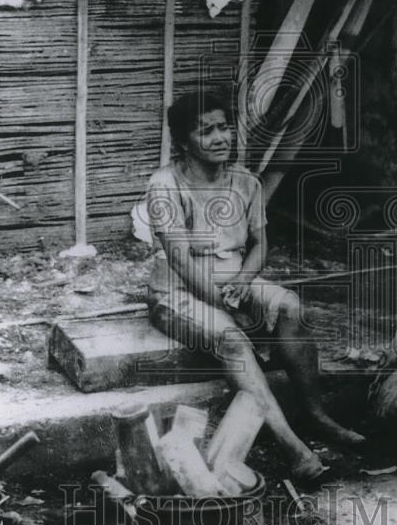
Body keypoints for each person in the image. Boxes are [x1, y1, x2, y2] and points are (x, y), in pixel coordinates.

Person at [145, 89, 364, 485]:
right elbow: (179, 258)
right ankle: (291, 447)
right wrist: (224, 302)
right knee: (231, 338)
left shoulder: (246, 182)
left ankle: (314, 414)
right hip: (177, 292)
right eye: (205, 131)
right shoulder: (164, 185)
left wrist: (244, 283)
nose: (220, 138)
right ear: (182, 142)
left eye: (224, 127)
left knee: (289, 305)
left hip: (233, 280)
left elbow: (261, 245)